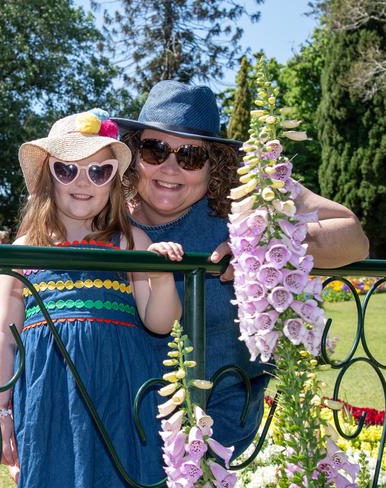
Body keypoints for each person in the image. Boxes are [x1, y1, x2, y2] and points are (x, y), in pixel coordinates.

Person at [113, 80, 370, 457]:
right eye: (155, 149)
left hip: (219, 427)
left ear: (213, 163)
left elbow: (354, 238)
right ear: (134, 154)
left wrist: (265, 242)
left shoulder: (249, 197)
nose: (170, 168)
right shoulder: (105, 208)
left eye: (190, 156)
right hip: (120, 421)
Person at [0, 109, 184, 487]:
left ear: (113, 181)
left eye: (99, 171)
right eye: (67, 169)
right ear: (48, 176)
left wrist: (161, 277)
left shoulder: (129, 242)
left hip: (119, 392)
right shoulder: (24, 249)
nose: (83, 181)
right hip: (49, 394)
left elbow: (161, 324)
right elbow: (5, 336)